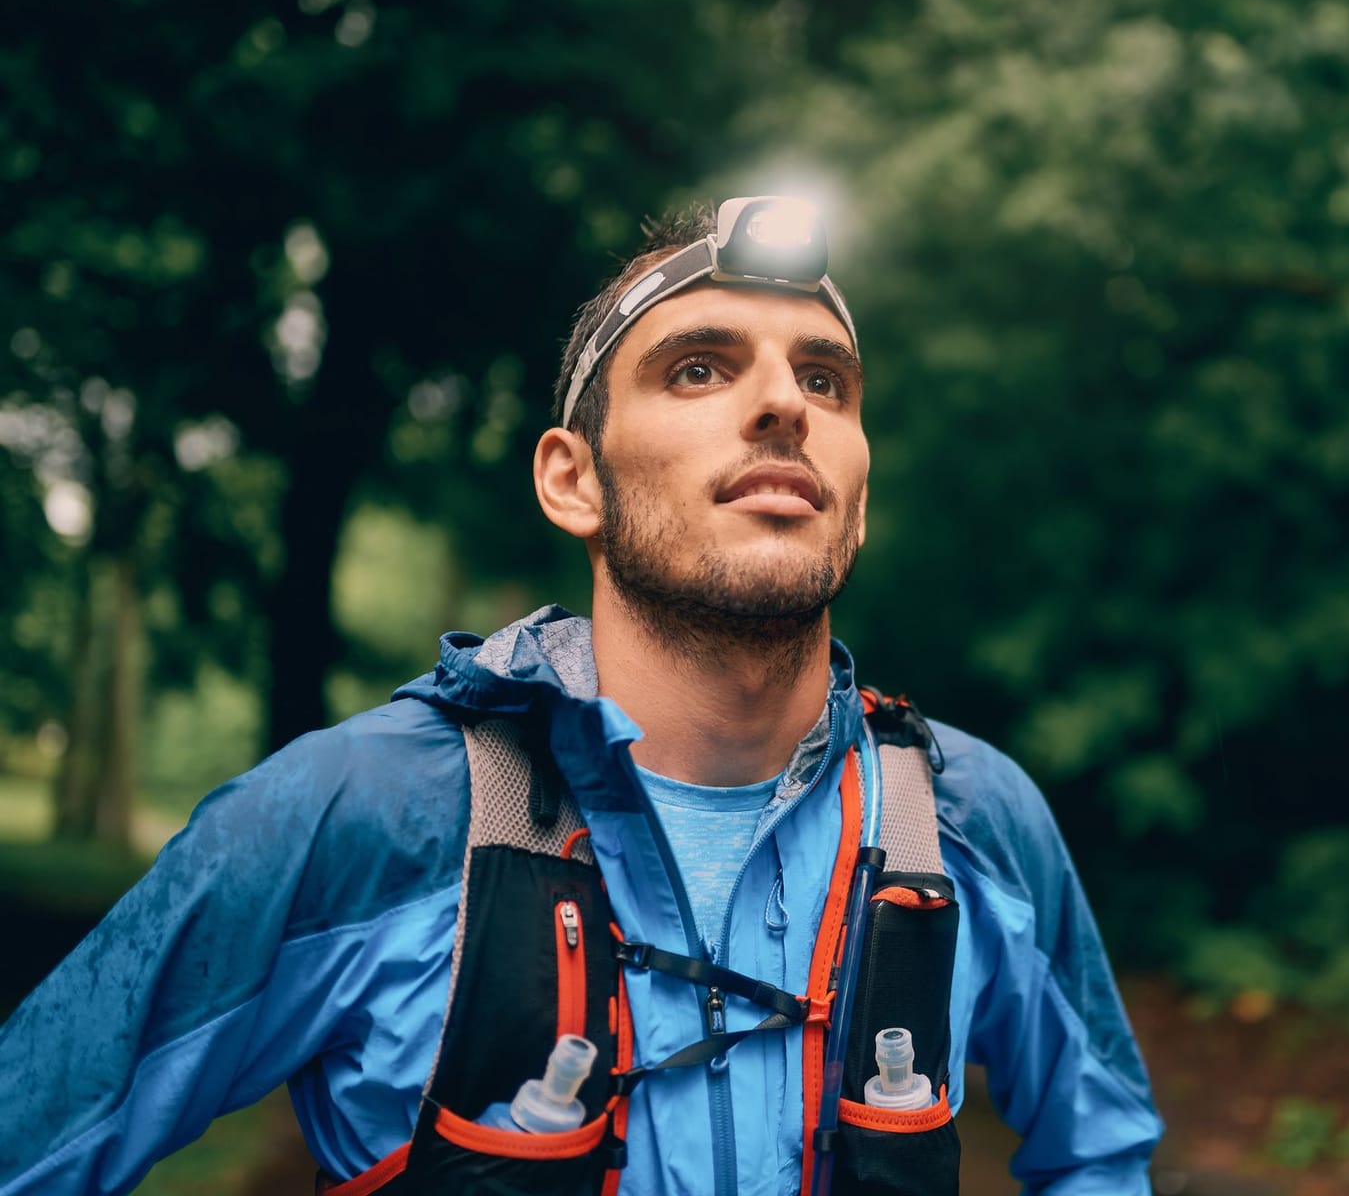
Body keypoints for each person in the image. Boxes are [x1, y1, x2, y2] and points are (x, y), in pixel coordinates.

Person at [0, 197, 1163, 1195]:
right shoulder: (351, 812)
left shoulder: (970, 815)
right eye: (699, 368)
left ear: (856, 488)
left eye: (824, 378)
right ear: (573, 479)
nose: (784, 405)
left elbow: (1101, 1150)